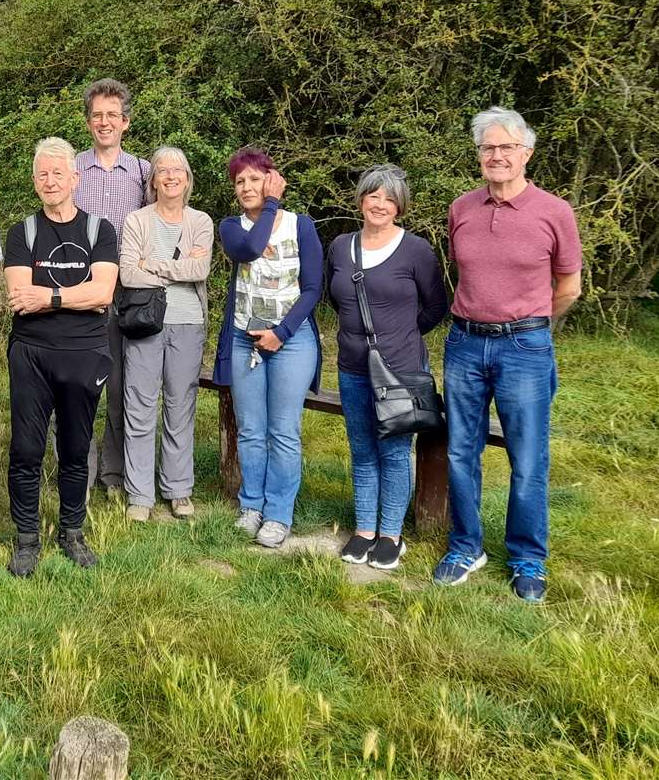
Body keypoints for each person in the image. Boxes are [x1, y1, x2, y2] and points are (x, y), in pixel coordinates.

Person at [434, 107, 581, 602]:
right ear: (479, 155)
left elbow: (569, 286)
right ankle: (465, 546)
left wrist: (531, 322)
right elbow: (466, 271)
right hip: (464, 342)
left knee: (528, 458)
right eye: (487, 148)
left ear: (527, 154)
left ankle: (526, 558)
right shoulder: (462, 208)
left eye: (506, 148)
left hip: (525, 347)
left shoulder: (554, 212)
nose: (496, 156)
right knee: (461, 451)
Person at [3, 137, 119, 576]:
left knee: (75, 447)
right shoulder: (23, 233)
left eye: (58, 173)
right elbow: (19, 297)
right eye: (42, 174)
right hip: (31, 354)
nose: (50, 181)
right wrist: (76, 296)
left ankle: (72, 531)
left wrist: (48, 295)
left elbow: (103, 292)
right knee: (27, 448)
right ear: (35, 181)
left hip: (84, 354)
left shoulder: (99, 230)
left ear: (75, 178)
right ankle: (27, 537)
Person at [324, 165, 448, 570]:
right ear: (361, 199)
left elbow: (435, 307)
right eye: (373, 195)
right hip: (352, 366)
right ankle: (364, 530)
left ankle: (391, 534)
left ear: (400, 205)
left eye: (389, 198)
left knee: (394, 452)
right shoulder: (341, 246)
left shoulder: (416, 251)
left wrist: (401, 337)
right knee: (362, 450)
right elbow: (334, 296)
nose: (380, 204)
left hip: (400, 370)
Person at [214, 147, 323, 548]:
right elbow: (249, 250)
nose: (246, 187)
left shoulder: (301, 226)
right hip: (245, 340)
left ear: (271, 179)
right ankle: (251, 506)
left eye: (255, 179)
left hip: (291, 342)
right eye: (239, 181)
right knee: (252, 430)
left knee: (283, 431)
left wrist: (282, 331)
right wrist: (271, 203)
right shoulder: (232, 227)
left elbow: (313, 288)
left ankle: (278, 513)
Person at [117, 146, 212, 522]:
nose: (171, 177)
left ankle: (178, 489)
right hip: (144, 321)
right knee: (139, 405)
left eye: (178, 171)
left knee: (179, 406)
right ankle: (139, 494)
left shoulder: (200, 221)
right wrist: (177, 265)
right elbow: (128, 274)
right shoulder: (137, 220)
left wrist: (151, 263)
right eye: (162, 171)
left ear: (187, 180)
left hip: (188, 322)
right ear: (153, 180)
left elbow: (200, 269)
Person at [74, 78, 151, 494]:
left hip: (128, 298)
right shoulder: (72, 169)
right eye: (97, 115)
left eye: (112, 116)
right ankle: (78, 475)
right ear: (89, 123)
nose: (105, 122)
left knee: (121, 390)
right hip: (81, 296)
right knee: (81, 390)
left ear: (126, 122)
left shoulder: (143, 173)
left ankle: (115, 475)